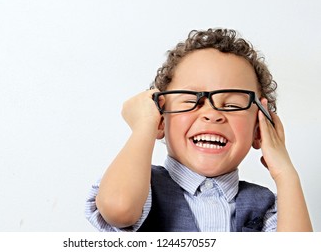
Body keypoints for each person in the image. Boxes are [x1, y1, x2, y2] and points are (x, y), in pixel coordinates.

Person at [85, 28, 313, 232]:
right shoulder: (140, 187)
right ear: (161, 119)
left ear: (258, 129)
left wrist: (285, 173)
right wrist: (144, 125)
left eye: (233, 105)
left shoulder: (265, 207)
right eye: (191, 100)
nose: (212, 114)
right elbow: (119, 209)